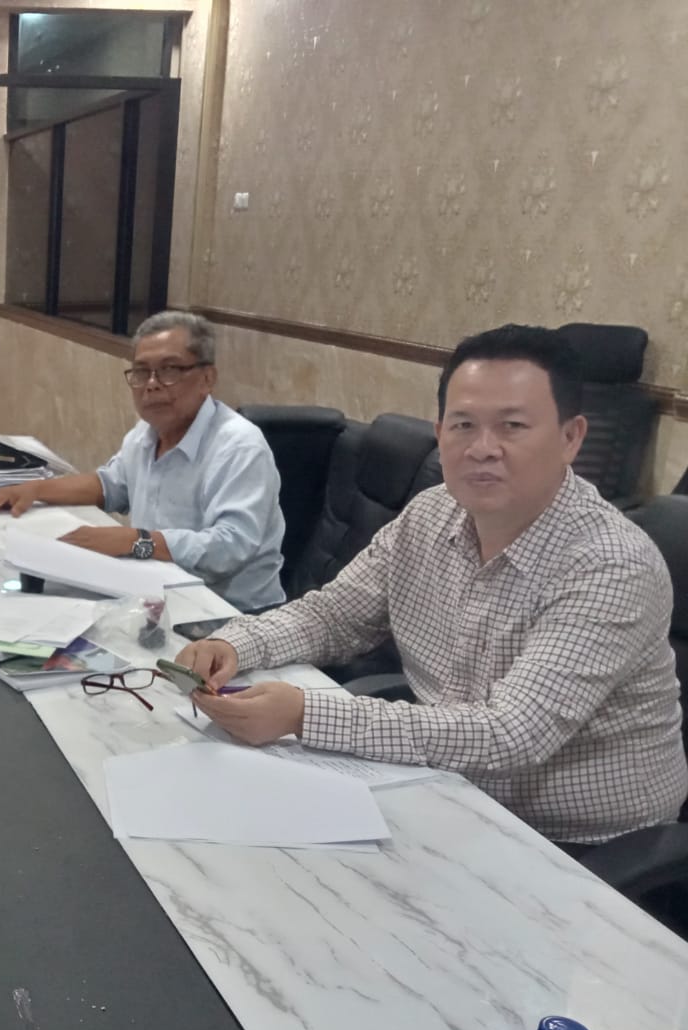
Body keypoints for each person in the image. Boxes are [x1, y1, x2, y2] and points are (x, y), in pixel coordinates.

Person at [176, 324, 687, 847]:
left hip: (575, 844)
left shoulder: (609, 565)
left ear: (570, 438)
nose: (483, 449)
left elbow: (511, 734)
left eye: (512, 426)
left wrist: (305, 714)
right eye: (463, 425)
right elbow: (333, 616)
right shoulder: (430, 514)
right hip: (445, 788)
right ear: (440, 433)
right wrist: (234, 643)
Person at [0, 311, 286, 611]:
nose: (151, 384)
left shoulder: (239, 446)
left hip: (231, 614)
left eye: (169, 370)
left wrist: (137, 541)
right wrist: (35, 490)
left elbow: (229, 548)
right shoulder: (145, 434)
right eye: (141, 372)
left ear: (207, 378)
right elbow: (110, 485)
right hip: (157, 596)